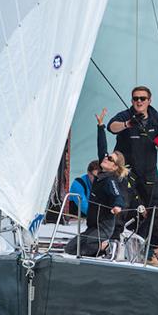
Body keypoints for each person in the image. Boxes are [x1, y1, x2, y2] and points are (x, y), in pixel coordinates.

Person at [107, 86, 158, 251]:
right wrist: (128, 124)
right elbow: (111, 126)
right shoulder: (126, 115)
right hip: (128, 170)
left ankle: (155, 250)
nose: (139, 101)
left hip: (149, 172)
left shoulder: (157, 119)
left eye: (142, 98)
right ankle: (114, 242)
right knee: (123, 204)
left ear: (149, 100)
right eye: (136, 98)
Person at [65, 109, 128, 257]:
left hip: (103, 228)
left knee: (84, 249)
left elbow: (117, 195)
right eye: (107, 157)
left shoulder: (110, 180)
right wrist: (101, 127)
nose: (106, 158)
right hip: (92, 226)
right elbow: (102, 148)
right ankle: (100, 247)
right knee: (70, 249)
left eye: (110, 159)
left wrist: (118, 206)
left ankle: (104, 247)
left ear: (114, 167)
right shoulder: (102, 173)